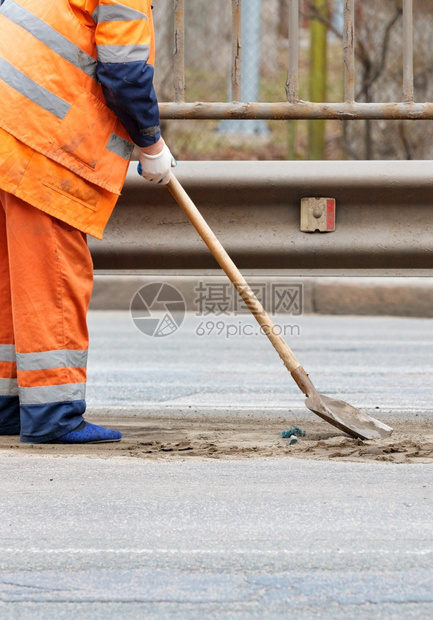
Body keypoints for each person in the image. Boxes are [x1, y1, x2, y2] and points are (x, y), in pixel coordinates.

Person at [0, 0, 176, 443]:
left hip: (10, 124)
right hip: (42, 139)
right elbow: (124, 73)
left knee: (9, 279)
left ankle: (7, 406)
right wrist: (151, 144)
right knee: (52, 276)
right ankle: (53, 414)